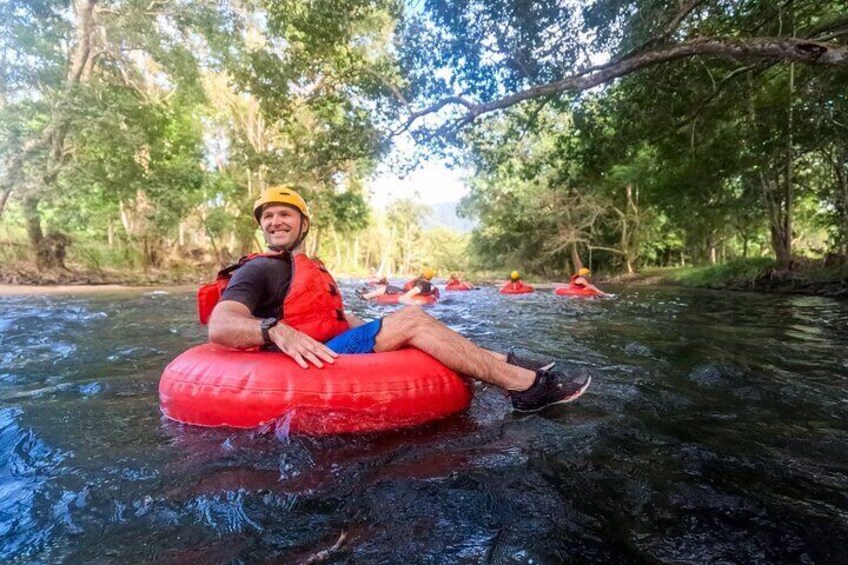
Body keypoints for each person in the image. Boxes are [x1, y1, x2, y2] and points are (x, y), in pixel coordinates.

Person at [208, 186, 591, 413]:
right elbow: (221, 324)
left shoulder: (302, 266)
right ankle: (526, 388)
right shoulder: (258, 270)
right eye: (268, 216)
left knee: (408, 328)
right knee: (411, 319)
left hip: (328, 346)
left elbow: (337, 320)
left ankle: (502, 360)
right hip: (295, 363)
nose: (275, 221)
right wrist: (277, 332)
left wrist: (378, 327)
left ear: (303, 223)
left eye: (284, 214)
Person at [358, 268, 437, 304]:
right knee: (388, 286)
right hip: (406, 292)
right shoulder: (427, 284)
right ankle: (371, 294)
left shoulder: (423, 284)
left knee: (386, 288)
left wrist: (404, 297)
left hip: (404, 294)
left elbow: (416, 290)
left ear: (423, 275)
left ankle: (365, 297)